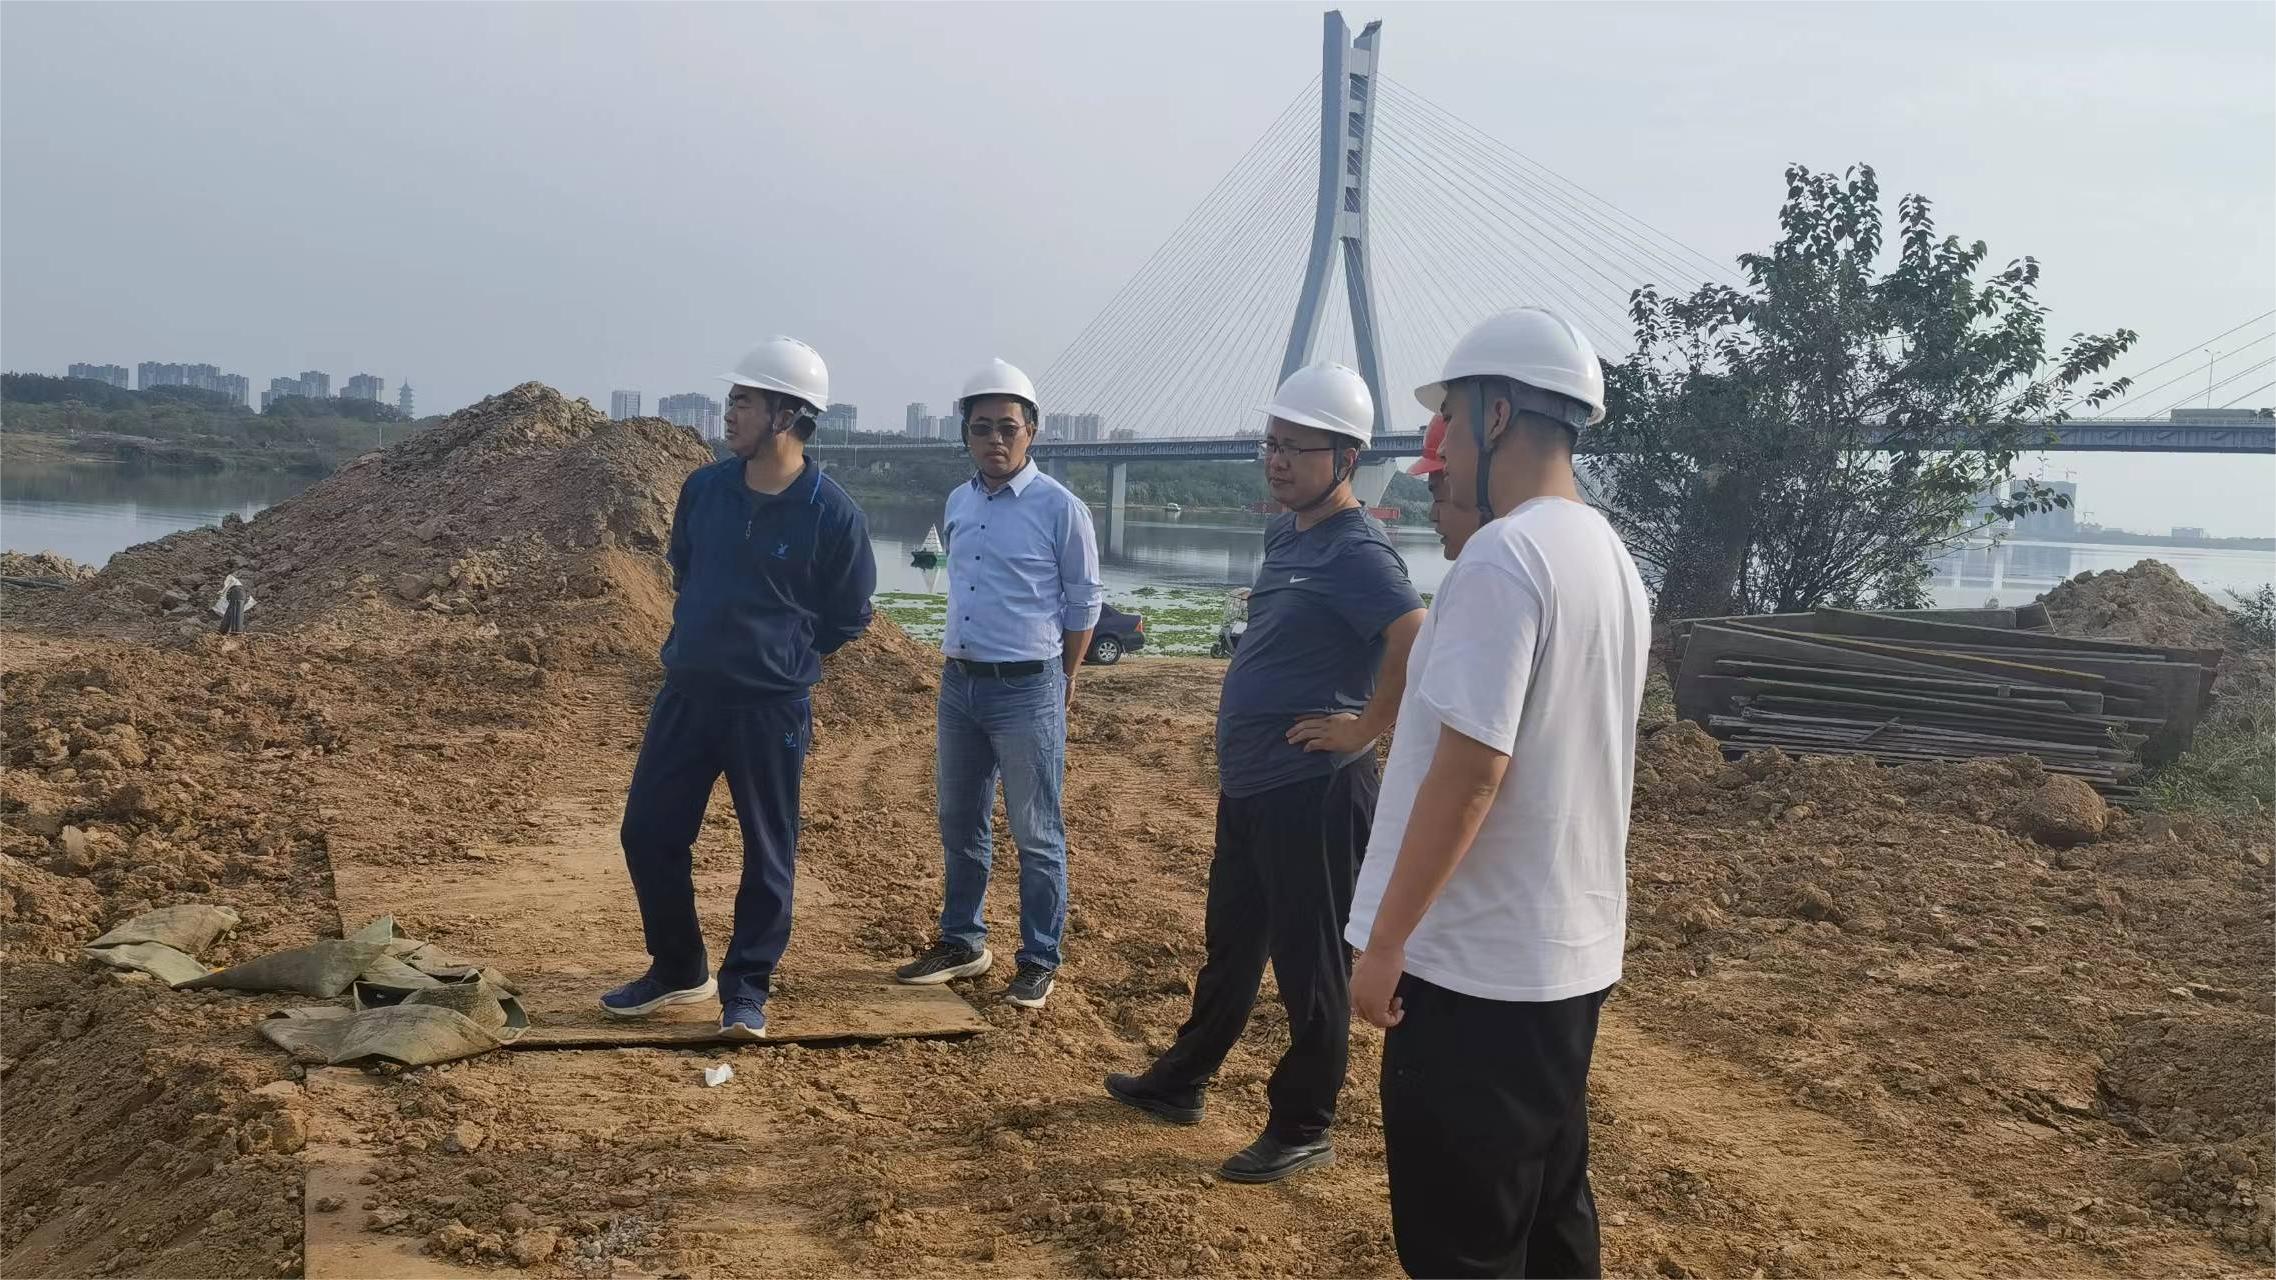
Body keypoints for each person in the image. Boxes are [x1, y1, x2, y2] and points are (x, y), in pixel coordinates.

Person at [1346, 308, 1650, 1278]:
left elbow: (1471, 771)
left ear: (1499, 414)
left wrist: (1384, 942)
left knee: (1462, 1244)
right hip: (1566, 958)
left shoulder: (1503, 557)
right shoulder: (1608, 557)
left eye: (1451, 417)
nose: (1441, 444)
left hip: (1473, 971)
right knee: (1551, 1214)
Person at [1104, 362, 1426, 1184]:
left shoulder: (1359, 550)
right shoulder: (1288, 533)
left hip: (1314, 790)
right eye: (1270, 444)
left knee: (1309, 964)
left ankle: (1304, 1125)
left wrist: (1365, 727)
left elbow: (1414, 638)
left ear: (1346, 459)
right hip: (1254, 783)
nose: (1276, 462)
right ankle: (1182, 1081)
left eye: (1296, 449)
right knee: (1233, 944)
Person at [602, 336, 878, 1041]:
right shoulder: (704, 489)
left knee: (767, 850)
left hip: (770, 707)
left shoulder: (832, 513)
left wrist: (781, 657)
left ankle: (747, 989)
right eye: (732, 399)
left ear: (786, 415)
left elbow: (849, 614)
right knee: (648, 832)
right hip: (687, 695)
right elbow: (685, 568)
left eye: (744, 401)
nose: (728, 413)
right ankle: (678, 967)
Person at [894, 358, 1102, 1010]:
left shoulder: (1060, 508)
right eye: (981, 427)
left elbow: (1084, 602)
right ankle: (963, 941)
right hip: (959, 684)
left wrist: (1066, 676)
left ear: (1031, 431)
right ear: (965, 434)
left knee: (1036, 832)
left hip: (1027, 688)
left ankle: (1039, 959)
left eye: (1008, 427)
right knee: (960, 822)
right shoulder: (959, 502)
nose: (995, 440)